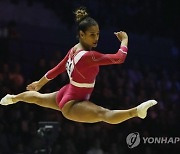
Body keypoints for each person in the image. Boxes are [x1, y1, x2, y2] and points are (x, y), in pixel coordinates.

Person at [0, 7, 157, 124]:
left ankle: (12, 98)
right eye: (92, 35)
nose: (96, 38)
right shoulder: (89, 56)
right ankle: (136, 112)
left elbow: (57, 69)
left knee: (38, 98)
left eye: (97, 34)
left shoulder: (75, 49)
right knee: (103, 113)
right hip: (73, 102)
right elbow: (119, 58)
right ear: (82, 35)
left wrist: (39, 84)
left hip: (66, 92)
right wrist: (124, 40)